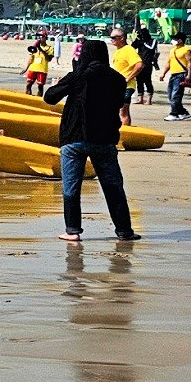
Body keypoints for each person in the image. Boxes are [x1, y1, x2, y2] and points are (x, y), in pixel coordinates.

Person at [44, 40, 139, 243]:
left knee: (71, 186)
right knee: (113, 186)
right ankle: (124, 231)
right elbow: (117, 106)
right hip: (105, 139)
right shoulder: (118, 79)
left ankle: (73, 231)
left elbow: (50, 98)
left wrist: (56, 85)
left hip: (74, 138)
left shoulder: (78, 76)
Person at [108, 30, 142, 127]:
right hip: (117, 86)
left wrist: (128, 78)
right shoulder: (117, 51)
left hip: (127, 86)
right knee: (116, 111)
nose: (111, 40)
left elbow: (139, 65)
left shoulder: (128, 49)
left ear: (122, 38)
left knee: (123, 111)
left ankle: (125, 133)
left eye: (114, 37)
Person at [162, 33, 191, 120]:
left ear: (180, 40)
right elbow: (168, 63)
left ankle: (174, 114)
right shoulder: (172, 50)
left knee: (176, 95)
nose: (173, 41)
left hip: (181, 74)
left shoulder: (186, 50)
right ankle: (182, 112)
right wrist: (163, 73)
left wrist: (189, 74)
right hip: (173, 74)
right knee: (170, 94)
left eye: (175, 39)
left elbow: (189, 63)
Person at [134, 30, 158, 105]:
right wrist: (137, 40)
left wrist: (143, 42)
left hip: (148, 63)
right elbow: (132, 47)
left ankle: (149, 100)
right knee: (139, 81)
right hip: (139, 63)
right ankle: (140, 99)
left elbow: (151, 48)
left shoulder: (153, 41)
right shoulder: (139, 41)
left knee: (148, 81)